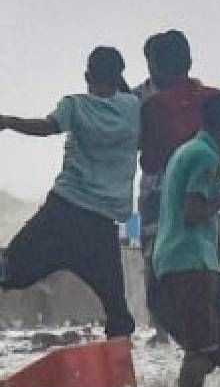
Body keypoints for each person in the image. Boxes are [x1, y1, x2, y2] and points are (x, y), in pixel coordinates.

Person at [138, 30, 220, 387]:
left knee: (162, 294)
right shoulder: (211, 100)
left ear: (155, 66)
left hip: (164, 206)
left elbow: (148, 159)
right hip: (208, 213)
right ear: (189, 62)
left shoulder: (152, 105)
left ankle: (199, 360)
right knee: (216, 291)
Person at [0, 47, 139, 338]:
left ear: (87, 75)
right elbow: (126, 96)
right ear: (119, 75)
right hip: (100, 228)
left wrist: (9, 122)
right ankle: (118, 377)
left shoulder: (75, 105)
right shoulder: (133, 108)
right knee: (117, 312)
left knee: (10, 271)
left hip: (62, 213)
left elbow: (46, 127)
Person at [152, 90, 220, 387]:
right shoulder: (206, 157)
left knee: (214, 348)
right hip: (190, 262)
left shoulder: (188, 150)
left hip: (174, 260)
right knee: (201, 350)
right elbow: (193, 212)